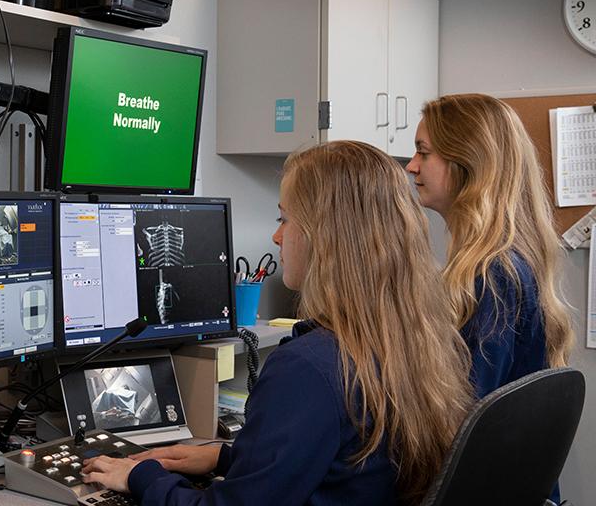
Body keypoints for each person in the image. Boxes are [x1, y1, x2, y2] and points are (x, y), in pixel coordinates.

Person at [81, 141, 475, 505]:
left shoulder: (309, 368)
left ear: (326, 237)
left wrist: (142, 476)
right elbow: (336, 464)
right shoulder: (409, 339)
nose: (276, 236)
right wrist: (225, 456)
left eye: (285, 219)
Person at [405, 93, 572, 398]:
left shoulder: (494, 275)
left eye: (423, 153)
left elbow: (463, 406)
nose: (411, 166)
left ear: (467, 162)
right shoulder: (504, 263)